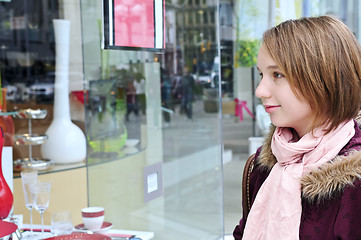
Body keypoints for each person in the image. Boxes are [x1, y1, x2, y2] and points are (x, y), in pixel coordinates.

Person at [233, 15, 361, 240]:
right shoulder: (267, 160)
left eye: (278, 75)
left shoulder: (354, 181)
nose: (260, 91)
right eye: (262, 75)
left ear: (324, 78)